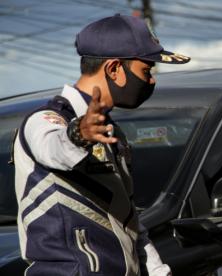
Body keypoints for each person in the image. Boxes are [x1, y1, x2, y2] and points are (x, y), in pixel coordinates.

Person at [13, 14, 190, 276]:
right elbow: (53, 148)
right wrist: (79, 133)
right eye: (147, 70)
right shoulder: (46, 120)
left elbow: (129, 220)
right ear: (114, 69)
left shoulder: (110, 130)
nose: (151, 80)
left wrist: (158, 271)